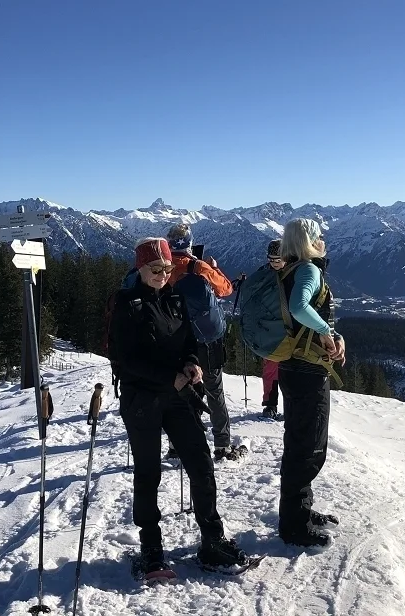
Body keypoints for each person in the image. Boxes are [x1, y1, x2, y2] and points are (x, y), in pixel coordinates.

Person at [109, 237, 249, 576]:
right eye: (155, 269)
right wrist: (168, 377)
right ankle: (151, 550)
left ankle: (212, 541)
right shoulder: (126, 304)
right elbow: (124, 360)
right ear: (140, 267)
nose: (162, 275)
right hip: (142, 399)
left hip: (177, 394)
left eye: (167, 269)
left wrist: (191, 363)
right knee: (148, 474)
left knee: (201, 464)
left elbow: (188, 341)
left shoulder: (174, 299)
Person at [277, 218, 347, 547]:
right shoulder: (308, 270)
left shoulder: (289, 269)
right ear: (309, 241)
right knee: (309, 448)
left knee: (300, 442)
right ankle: (294, 524)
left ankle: (299, 510)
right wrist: (326, 332)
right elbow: (298, 307)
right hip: (307, 371)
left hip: (293, 367)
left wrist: (330, 334)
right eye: (319, 236)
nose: (323, 241)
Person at [165, 223, 245, 462]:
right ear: (190, 242)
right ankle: (222, 445)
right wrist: (214, 268)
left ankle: (176, 445)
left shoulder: (163, 269)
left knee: (180, 391)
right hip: (206, 339)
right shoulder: (199, 267)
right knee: (214, 389)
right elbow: (226, 289)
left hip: (177, 340)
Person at [260, 239, 285, 420]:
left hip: (288, 327)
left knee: (290, 370)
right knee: (270, 369)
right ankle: (270, 403)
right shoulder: (263, 273)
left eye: (278, 260)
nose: (275, 263)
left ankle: (291, 404)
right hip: (269, 328)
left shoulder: (293, 272)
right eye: (272, 260)